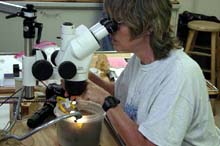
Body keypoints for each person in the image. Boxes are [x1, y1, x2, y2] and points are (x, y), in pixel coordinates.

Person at [79, 0, 220, 146]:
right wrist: (86, 78)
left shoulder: (179, 74)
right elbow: (121, 93)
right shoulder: (140, 58)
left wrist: (105, 100)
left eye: (117, 23)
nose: (110, 30)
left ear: (148, 26)